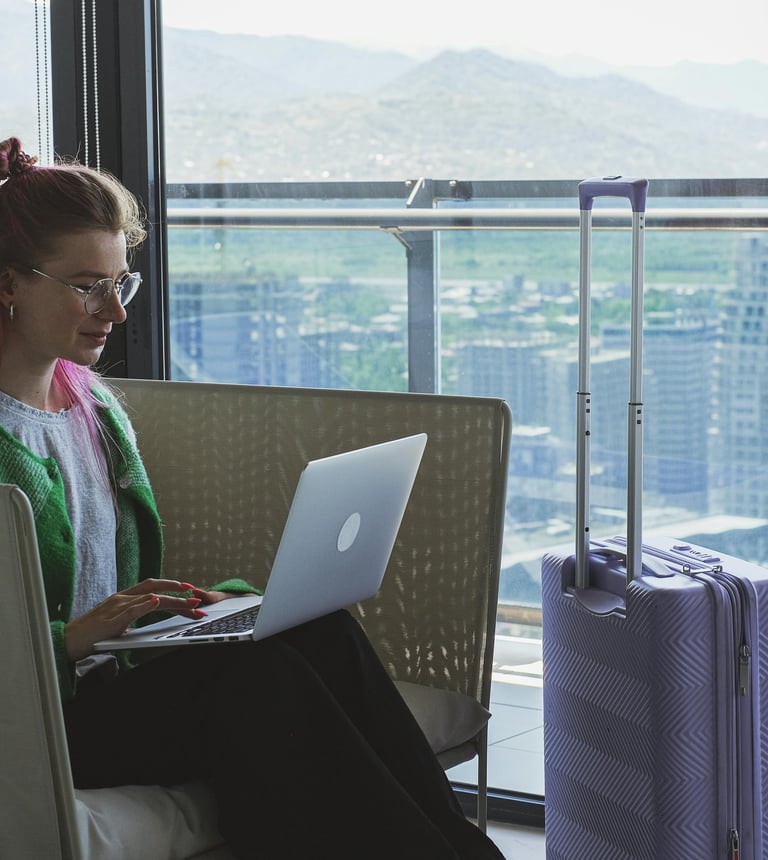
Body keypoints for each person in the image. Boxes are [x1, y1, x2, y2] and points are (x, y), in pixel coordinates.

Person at [0, 135, 506, 860]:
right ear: (9, 283)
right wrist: (71, 640)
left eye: (120, 282)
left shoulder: (94, 411)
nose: (113, 309)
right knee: (259, 685)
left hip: (112, 684)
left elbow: (112, 591)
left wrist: (211, 613)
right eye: (86, 285)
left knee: (314, 630)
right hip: (38, 722)